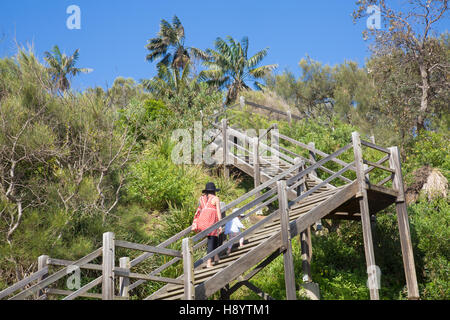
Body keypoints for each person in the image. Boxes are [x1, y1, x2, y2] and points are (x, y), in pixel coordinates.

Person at [193, 182, 223, 268]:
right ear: (214, 191)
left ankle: (216, 256)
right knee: (211, 239)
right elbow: (218, 212)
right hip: (210, 220)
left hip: (202, 221)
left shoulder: (201, 198)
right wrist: (220, 224)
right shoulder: (215, 198)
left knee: (213, 238)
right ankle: (209, 262)